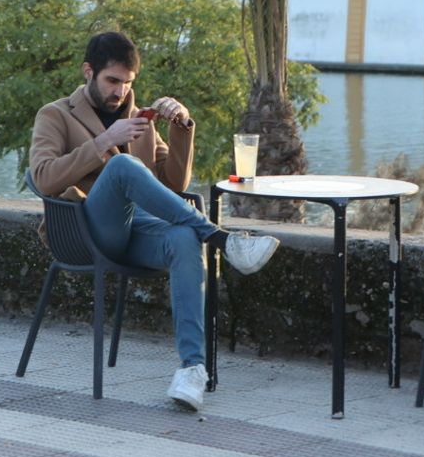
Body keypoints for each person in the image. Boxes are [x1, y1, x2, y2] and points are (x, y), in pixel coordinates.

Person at [29, 30, 281, 412]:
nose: (120, 91)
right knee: (123, 166)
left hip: (137, 233)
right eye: (112, 81)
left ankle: (192, 370)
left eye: (127, 83)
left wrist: (181, 126)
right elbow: (44, 177)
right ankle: (222, 240)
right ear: (88, 72)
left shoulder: (139, 118)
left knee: (182, 237)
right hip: (85, 232)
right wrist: (102, 143)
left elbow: (172, 184)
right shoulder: (55, 115)